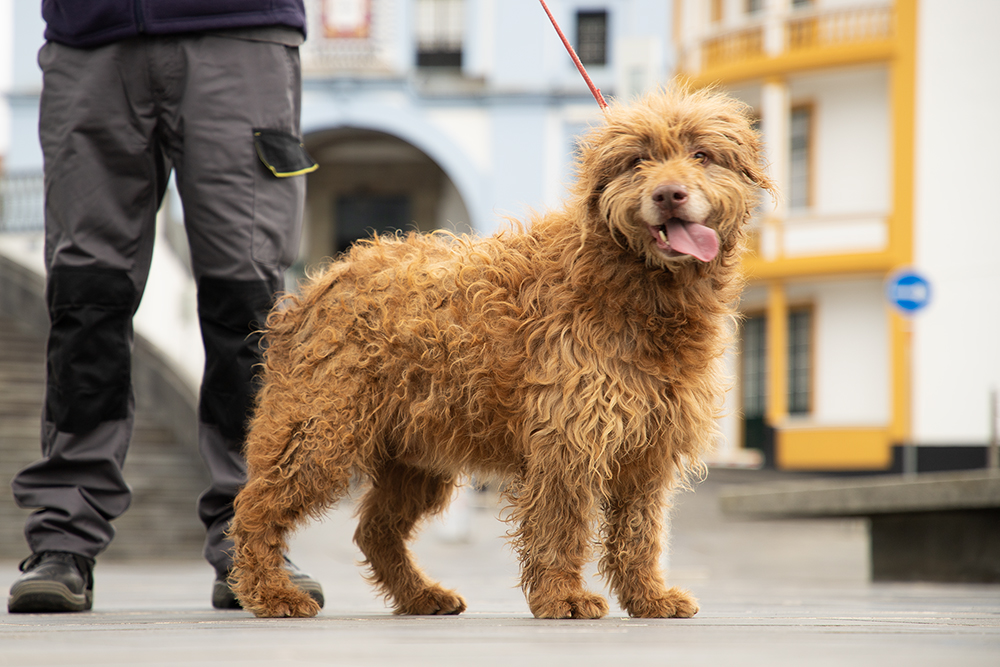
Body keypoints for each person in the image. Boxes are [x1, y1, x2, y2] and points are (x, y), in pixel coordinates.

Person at [7, 1, 323, 613]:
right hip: (90, 34)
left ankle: (251, 539)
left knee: (247, 303)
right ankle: (63, 538)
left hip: (238, 29)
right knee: (84, 298)